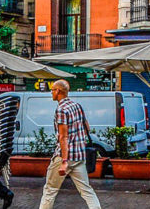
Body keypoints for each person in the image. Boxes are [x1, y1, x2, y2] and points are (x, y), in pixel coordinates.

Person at [38, 79, 101, 209]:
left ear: (58, 91)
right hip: (79, 155)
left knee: (50, 190)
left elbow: (63, 137)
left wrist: (64, 161)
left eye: (52, 90)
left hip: (64, 157)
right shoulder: (77, 106)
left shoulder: (61, 110)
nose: (51, 93)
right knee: (86, 190)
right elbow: (87, 127)